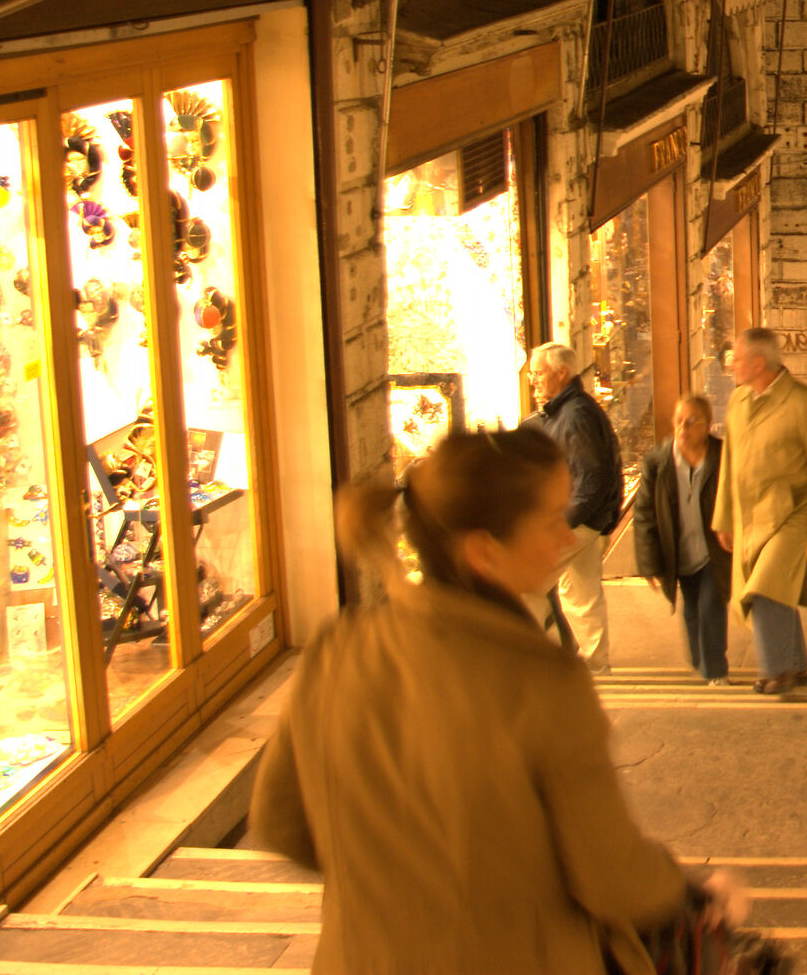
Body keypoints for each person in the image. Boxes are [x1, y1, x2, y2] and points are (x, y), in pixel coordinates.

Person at [250, 426, 741, 972]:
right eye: (550, 519)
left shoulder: (336, 652)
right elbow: (610, 873)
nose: (564, 537)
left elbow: (280, 821)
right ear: (484, 551)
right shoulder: (542, 684)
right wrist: (692, 892)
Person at [715, 327, 807, 696]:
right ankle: (797, 666)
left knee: (766, 588)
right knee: (779, 585)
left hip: (792, 512)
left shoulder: (804, 404)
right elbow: (729, 462)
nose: (731, 365)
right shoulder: (738, 402)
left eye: (736, 358)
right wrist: (723, 517)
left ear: (758, 363)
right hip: (749, 515)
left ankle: (776, 671)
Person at [526, 342, 622, 672]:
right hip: (585, 519)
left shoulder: (575, 415)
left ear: (561, 373)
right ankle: (596, 664)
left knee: (527, 582)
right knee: (580, 592)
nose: (532, 380)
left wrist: (560, 525)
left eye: (538, 373)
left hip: (575, 520)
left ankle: (534, 659)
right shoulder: (570, 410)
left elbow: (591, 479)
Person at [632, 394, 732, 685]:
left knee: (711, 606)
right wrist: (649, 564)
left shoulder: (723, 456)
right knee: (691, 607)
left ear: (709, 424)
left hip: (715, 550)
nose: (683, 429)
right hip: (680, 551)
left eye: (692, 422)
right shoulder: (658, 461)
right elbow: (644, 515)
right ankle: (701, 662)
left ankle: (716, 671)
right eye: (678, 421)